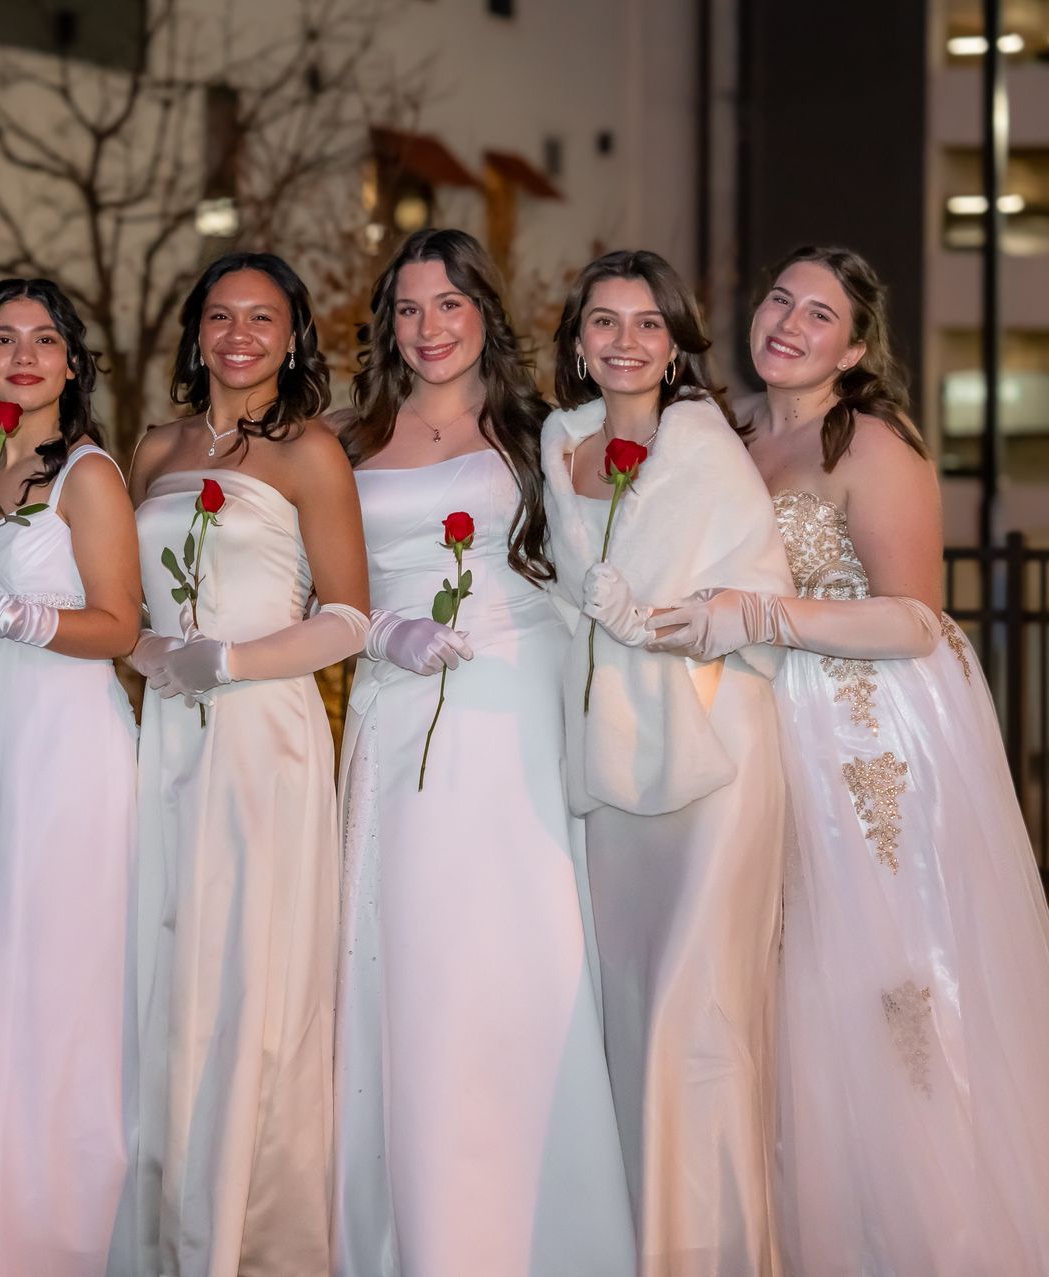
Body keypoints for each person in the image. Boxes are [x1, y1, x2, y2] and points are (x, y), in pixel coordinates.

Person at [647, 244, 1049, 1275]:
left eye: (819, 314)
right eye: (781, 299)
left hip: (861, 741)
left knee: (882, 983)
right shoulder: (725, 434)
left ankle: (933, 1237)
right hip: (752, 729)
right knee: (775, 985)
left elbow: (915, 619)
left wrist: (763, 614)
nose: (788, 322)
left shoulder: (872, 443)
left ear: (856, 348)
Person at [332, 228, 635, 1276]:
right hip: (397, 706)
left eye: (449, 304)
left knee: (519, 952)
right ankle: (421, 1227)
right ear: (387, 326)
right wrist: (383, 632)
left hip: (518, 707)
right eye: (409, 308)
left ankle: (548, 1231)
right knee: (414, 954)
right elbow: (319, 587)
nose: (429, 327)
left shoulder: (543, 430)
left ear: (484, 314)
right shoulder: (345, 439)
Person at [540, 249, 791, 1276]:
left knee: (698, 1010)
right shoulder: (559, 443)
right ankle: (631, 1242)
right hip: (609, 760)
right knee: (628, 1008)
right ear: (577, 339)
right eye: (605, 320)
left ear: (677, 341)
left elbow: (756, 603)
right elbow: (559, 595)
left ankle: (710, 1252)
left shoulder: (705, 449)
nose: (626, 341)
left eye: (649, 323)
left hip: (712, 750)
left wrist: (649, 620)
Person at [126, 251, 369, 1277]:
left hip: (264, 732)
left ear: (294, 335)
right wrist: (154, 652)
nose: (239, 335)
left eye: (263, 318)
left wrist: (227, 661)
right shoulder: (155, 445)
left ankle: (251, 1232)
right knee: (165, 960)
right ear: (196, 332)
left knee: (248, 969)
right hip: (168, 731)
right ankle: (164, 1217)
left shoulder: (312, 451)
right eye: (221, 316)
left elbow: (349, 618)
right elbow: (121, 604)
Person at [0, 278, 143, 1277]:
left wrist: (21, 617)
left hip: (68, 741)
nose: (23, 355)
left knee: (54, 975)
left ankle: (57, 1236)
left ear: (72, 364)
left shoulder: (88, 473)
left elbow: (121, 624)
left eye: (44, 339)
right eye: (2, 339)